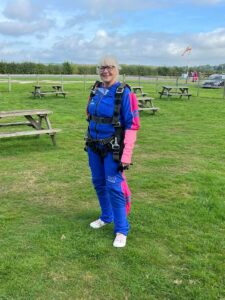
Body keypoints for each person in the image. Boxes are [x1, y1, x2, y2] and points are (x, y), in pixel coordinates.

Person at [85, 56, 140, 247]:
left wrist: (127, 155)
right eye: (102, 67)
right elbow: (89, 116)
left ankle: (121, 230)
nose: (106, 71)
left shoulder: (124, 93)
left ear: (117, 69)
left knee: (114, 187)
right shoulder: (95, 90)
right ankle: (106, 216)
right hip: (93, 146)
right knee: (99, 183)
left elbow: (132, 125)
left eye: (110, 67)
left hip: (113, 149)